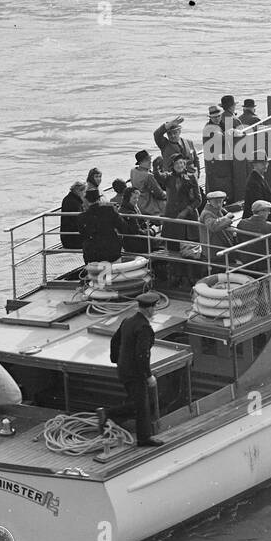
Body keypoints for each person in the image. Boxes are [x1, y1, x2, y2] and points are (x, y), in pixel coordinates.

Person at [109, 292, 163, 447]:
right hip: (135, 372)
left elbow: (115, 341)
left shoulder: (128, 321)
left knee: (138, 403)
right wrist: (148, 376)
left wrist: (116, 360)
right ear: (149, 309)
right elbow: (142, 355)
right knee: (142, 405)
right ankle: (108, 414)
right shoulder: (144, 328)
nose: (155, 310)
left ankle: (110, 415)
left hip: (124, 369)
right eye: (155, 307)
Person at [80, 187, 130, 264]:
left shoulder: (82, 217)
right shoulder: (109, 210)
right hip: (112, 253)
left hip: (92, 255)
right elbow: (123, 228)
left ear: (86, 200)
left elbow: (83, 234)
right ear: (99, 199)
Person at [234, 200, 271, 274]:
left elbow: (238, 240)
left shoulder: (242, 223)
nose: (269, 213)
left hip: (246, 261)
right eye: (267, 210)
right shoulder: (270, 226)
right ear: (262, 212)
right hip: (264, 263)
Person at [200, 189, 239, 264]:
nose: (218, 204)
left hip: (219, 247)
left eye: (220, 202)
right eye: (215, 202)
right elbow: (213, 226)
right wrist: (226, 218)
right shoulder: (207, 213)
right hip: (213, 250)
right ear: (209, 202)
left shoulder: (220, 211)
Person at [163, 153, 203, 219]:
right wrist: (156, 168)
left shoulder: (192, 177)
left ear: (184, 165)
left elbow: (198, 200)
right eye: (176, 163)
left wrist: (186, 211)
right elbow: (158, 177)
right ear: (172, 166)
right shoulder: (168, 177)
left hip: (189, 216)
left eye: (181, 163)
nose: (179, 165)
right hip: (172, 215)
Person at [130, 149, 167, 217]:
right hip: (149, 207)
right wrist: (170, 195)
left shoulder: (133, 170)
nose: (150, 161)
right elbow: (159, 194)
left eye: (150, 159)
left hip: (138, 204)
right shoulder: (148, 176)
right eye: (147, 160)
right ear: (140, 162)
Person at [118, 186, 153, 255]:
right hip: (137, 243)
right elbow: (137, 231)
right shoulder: (130, 213)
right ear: (128, 198)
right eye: (134, 198)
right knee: (163, 241)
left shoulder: (123, 208)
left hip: (128, 242)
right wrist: (151, 231)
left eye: (137, 198)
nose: (136, 200)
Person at [59, 180, 86, 250]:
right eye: (84, 192)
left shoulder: (69, 198)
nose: (85, 194)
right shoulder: (74, 203)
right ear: (78, 191)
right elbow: (79, 221)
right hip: (73, 240)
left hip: (67, 238)